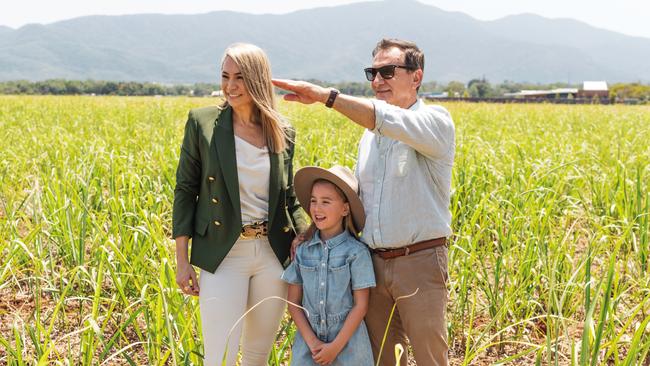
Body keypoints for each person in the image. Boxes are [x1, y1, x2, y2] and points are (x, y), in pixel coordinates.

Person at [273, 38, 455, 365]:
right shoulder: (369, 138)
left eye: (387, 71)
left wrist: (325, 96)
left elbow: (384, 118)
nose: (376, 81)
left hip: (420, 261)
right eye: (372, 72)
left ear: (417, 77)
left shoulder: (434, 122)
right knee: (383, 358)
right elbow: (354, 202)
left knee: (431, 357)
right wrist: (311, 232)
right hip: (372, 264)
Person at [172, 43, 308, 366]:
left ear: (258, 79)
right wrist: (182, 259)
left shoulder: (281, 129)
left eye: (240, 77)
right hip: (223, 253)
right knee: (219, 355)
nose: (230, 86)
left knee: (258, 356)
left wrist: (304, 233)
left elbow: (288, 196)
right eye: (225, 76)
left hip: (271, 254)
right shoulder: (203, 123)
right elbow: (185, 190)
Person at [282, 165, 375, 365]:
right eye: (313, 201)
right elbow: (293, 302)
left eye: (326, 201)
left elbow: (361, 305)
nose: (317, 208)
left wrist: (334, 348)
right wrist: (312, 342)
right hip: (309, 345)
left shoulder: (356, 253)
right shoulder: (303, 251)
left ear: (345, 208)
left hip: (349, 346)